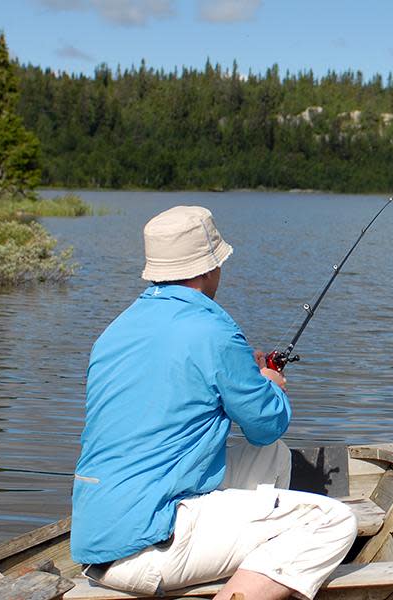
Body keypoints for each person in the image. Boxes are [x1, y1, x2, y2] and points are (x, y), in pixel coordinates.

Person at [71, 206, 357, 600]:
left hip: (96, 537)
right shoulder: (215, 330)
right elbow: (266, 424)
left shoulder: (115, 331)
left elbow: (174, 396)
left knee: (271, 457)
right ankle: (255, 575)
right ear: (208, 269)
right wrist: (270, 384)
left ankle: (249, 568)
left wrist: (246, 375)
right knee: (334, 521)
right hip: (150, 542)